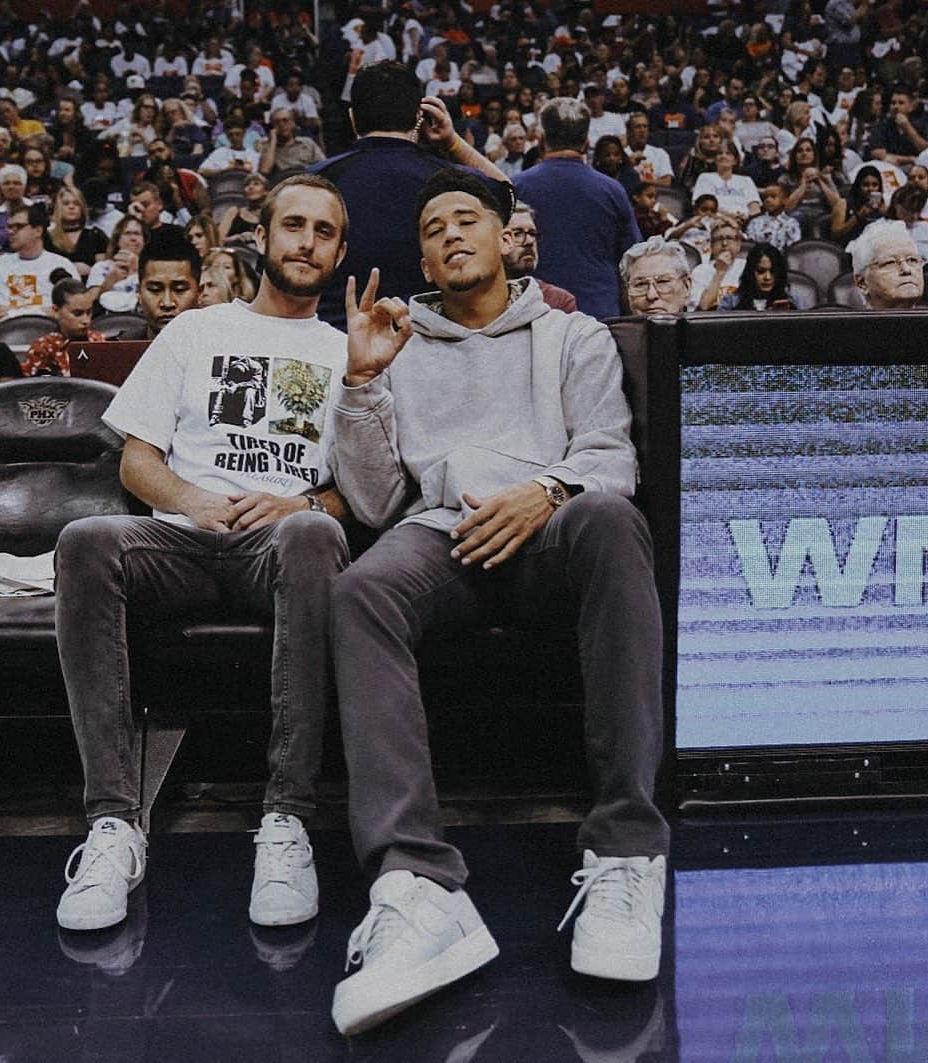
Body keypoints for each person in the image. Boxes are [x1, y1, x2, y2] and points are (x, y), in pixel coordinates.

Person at [328, 169, 668, 1035]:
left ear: (507, 235)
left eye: (465, 220)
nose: (449, 235)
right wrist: (363, 383)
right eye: (433, 227)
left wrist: (546, 491)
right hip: (442, 528)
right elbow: (371, 503)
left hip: (550, 522)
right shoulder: (397, 343)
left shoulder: (571, 335)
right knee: (362, 588)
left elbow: (608, 459)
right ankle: (416, 883)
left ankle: (626, 848)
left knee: (611, 522)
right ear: (422, 254)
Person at [53, 174, 353, 935]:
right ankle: (114, 823)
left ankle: (286, 817)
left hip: (279, 543)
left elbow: (366, 494)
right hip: (181, 541)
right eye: (294, 224)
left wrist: (301, 503)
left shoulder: (350, 351)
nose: (306, 241)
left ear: (340, 250)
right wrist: (192, 499)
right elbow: (137, 462)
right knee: (85, 539)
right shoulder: (194, 331)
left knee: (317, 532)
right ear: (264, 234)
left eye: (323, 231)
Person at [310, 60, 512, 330]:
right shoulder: (450, 179)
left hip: (336, 339)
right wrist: (453, 141)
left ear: (353, 118)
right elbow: (506, 195)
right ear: (419, 115)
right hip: (425, 341)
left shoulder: (314, 181)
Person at [515, 98, 641, 320]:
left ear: (542, 141)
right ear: (586, 144)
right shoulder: (612, 190)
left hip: (535, 315)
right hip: (599, 315)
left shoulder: (516, 187)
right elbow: (632, 257)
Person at [501, 201, 577, 312]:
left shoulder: (557, 301)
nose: (529, 241)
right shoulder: (474, 298)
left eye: (532, 233)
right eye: (517, 234)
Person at [21, 278, 104, 377]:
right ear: (56, 310)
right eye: (77, 313)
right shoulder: (42, 349)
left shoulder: (100, 341)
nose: (86, 320)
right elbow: (36, 389)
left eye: (89, 312)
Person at [136, 230, 202, 339]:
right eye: (155, 290)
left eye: (180, 290)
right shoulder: (114, 351)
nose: (167, 303)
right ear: (138, 293)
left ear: (199, 293)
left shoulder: (222, 349)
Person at [848, 219, 925, 309]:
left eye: (912, 260)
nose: (906, 270)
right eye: (890, 262)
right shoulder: (842, 323)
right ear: (862, 283)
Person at [86, 214, 146, 313]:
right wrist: (110, 280)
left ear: (144, 241)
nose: (133, 238)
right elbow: (90, 304)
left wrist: (137, 270)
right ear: (118, 240)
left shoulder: (150, 269)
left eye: (137, 233)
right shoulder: (101, 268)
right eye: (127, 233)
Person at [779, 136, 842, 230]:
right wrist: (804, 184)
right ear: (794, 156)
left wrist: (820, 182)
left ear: (814, 154)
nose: (804, 153)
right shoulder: (786, 179)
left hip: (822, 213)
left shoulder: (825, 177)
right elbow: (786, 208)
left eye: (808, 150)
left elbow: (837, 205)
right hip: (796, 214)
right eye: (800, 151)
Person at [45, 185, 108, 278]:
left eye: (76, 203)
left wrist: (91, 271)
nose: (71, 207)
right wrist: (71, 268)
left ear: (82, 208)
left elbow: (103, 271)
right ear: (58, 208)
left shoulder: (96, 235)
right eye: (66, 203)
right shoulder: (47, 237)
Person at [620, 236, 693, 316]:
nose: (651, 295)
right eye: (640, 284)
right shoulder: (612, 328)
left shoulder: (706, 328)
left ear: (686, 287)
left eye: (663, 282)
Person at [718, 243, 802, 310]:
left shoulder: (792, 301)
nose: (767, 277)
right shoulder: (731, 302)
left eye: (773, 271)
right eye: (761, 271)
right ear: (750, 272)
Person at [691, 141, 761, 221]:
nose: (723, 156)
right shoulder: (705, 178)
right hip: (715, 221)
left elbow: (755, 208)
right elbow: (704, 207)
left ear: (735, 160)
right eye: (720, 153)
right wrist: (731, 217)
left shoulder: (746, 180)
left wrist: (745, 219)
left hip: (744, 222)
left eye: (728, 153)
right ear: (714, 159)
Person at [688, 215, 746, 310]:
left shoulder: (746, 267)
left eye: (729, 238)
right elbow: (703, 307)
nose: (724, 244)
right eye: (719, 239)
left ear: (738, 244)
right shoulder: (700, 271)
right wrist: (720, 272)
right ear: (711, 245)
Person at [258, 108, 325, 183]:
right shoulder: (269, 147)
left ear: (293, 123)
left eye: (285, 120)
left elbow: (324, 166)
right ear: (272, 126)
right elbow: (264, 171)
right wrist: (273, 140)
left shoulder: (307, 143)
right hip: (283, 184)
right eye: (277, 122)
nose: (281, 124)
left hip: (308, 181)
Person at [831, 164, 888, 242]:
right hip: (851, 246)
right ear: (858, 186)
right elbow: (835, 235)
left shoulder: (883, 205)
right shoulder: (844, 203)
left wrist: (887, 215)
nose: (870, 189)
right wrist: (858, 216)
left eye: (875, 185)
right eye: (866, 185)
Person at [216, 172, 267, 248]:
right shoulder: (234, 211)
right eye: (247, 185)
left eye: (256, 184)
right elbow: (217, 240)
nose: (250, 187)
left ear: (266, 191)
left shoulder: (271, 213)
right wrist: (234, 238)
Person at [745, 184, 802, 251]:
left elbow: (794, 247)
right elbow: (750, 244)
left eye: (773, 197)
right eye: (765, 197)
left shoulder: (791, 223)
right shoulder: (755, 222)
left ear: (785, 200)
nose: (768, 200)